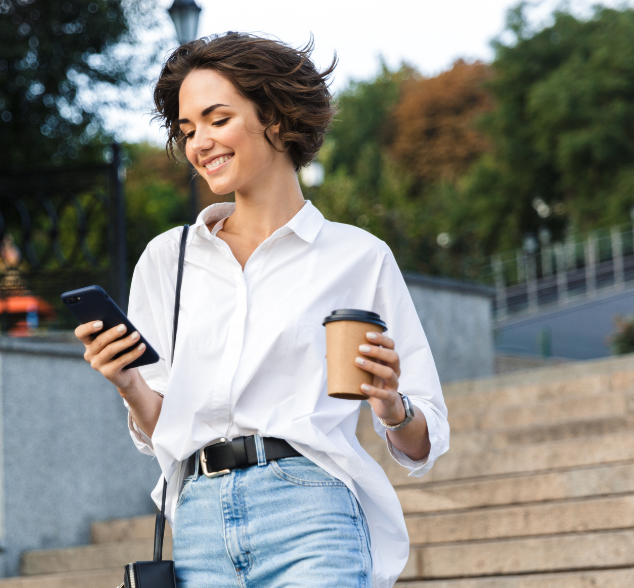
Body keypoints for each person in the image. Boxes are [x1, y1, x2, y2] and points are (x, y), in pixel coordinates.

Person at [75, 32, 449, 588]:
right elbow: (164, 430)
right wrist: (129, 383)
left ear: (274, 118)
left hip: (312, 512)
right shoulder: (167, 260)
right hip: (199, 518)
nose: (199, 142)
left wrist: (391, 405)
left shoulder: (358, 256)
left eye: (216, 119)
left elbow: (423, 441)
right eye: (187, 129)